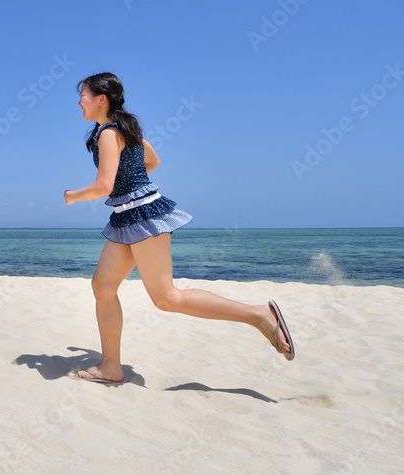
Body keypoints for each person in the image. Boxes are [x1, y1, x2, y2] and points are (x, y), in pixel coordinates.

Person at [63, 72, 294, 384]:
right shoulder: (122, 129)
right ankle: (111, 367)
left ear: (101, 99)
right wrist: (130, 181)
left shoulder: (108, 134)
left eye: (84, 96)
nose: (79, 102)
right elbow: (152, 161)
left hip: (142, 217)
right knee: (103, 287)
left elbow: (104, 186)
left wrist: (74, 196)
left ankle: (260, 315)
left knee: (167, 298)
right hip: (127, 217)